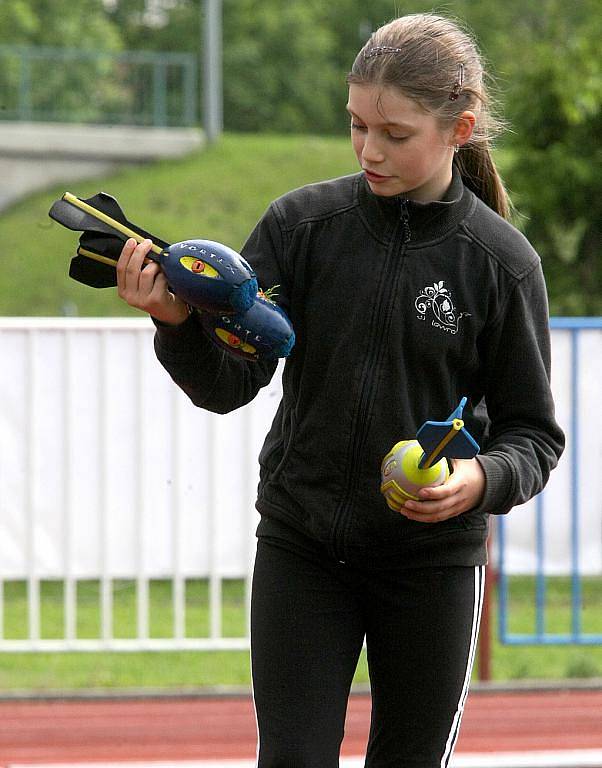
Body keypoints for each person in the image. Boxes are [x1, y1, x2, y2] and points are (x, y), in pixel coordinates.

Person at [116, 12, 565, 768]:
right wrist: (175, 324)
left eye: (394, 133)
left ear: (460, 128)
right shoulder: (300, 226)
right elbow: (231, 384)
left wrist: (480, 477)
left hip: (432, 566)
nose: (369, 149)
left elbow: (534, 436)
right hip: (303, 549)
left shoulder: (501, 263)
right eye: (357, 125)